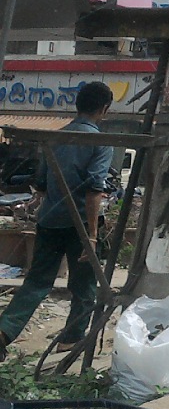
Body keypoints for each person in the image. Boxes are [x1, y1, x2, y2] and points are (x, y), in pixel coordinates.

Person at [0, 82, 114, 362]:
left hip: (50, 221)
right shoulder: (99, 141)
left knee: (37, 282)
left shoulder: (56, 137)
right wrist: (92, 235)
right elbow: (93, 193)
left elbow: (40, 184)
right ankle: (72, 339)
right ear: (104, 109)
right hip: (80, 226)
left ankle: (3, 332)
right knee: (85, 286)